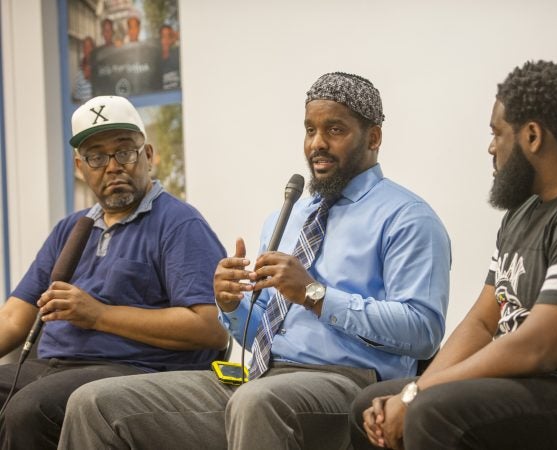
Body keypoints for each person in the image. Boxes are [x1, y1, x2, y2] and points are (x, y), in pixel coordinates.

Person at [57, 72, 451, 450]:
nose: (317, 144)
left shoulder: (407, 217)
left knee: (257, 402)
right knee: (93, 402)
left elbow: (423, 331)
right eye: (310, 130)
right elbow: (261, 333)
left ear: (374, 138)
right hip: (264, 376)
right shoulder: (290, 215)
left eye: (335, 130)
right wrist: (230, 305)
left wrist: (315, 294)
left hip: (351, 383)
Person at [351, 60, 557, 450]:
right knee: (371, 407)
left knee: (434, 411)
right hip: (547, 388)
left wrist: (417, 396)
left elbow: (538, 348)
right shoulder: (525, 209)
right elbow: (483, 322)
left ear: (532, 136)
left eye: (497, 133)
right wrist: (415, 389)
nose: (490, 146)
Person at [0, 95, 229, 450]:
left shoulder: (179, 224)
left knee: (29, 411)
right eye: (96, 156)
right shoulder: (70, 229)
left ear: (148, 155)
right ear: (80, 166)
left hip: (136, 370)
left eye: (125, 152)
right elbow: (16, 316)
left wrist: (99, 315)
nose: (113, 166)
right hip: (56, 365)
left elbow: (211, 328)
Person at [73, 36, 94, 103]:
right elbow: (77, 97)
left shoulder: (99, 69)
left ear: (93, 48)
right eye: (85, 47)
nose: (87, 50)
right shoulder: (79, 72)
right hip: (85, 110)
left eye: (89, 47)